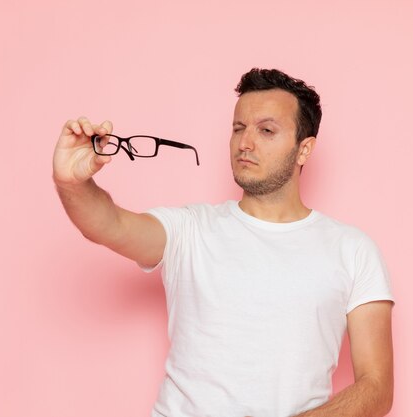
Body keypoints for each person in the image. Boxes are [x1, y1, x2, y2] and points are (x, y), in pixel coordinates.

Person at [53, 68, 395, 417]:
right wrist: (72, 183)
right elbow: (109, 224)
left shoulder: (353, 250)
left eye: (266, 130)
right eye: (238, 129)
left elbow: (377, 388)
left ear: (304, 149)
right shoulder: (190, 229)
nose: (245, 143)